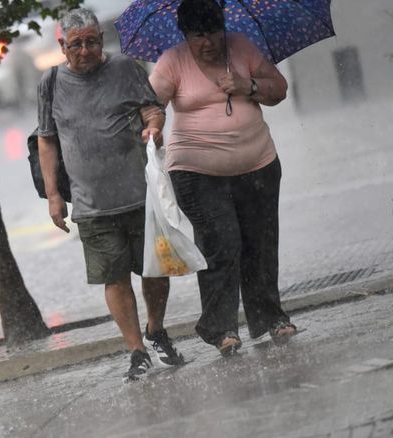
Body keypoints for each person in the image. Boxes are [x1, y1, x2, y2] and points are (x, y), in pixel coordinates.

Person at [37, 8, 183, 381]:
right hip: (91, 205)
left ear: (101, 41)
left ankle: (155, 328)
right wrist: (54, 195)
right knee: (114, 279)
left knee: (155, 271)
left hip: (140, 195)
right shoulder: (50, 83)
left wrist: (154, 126)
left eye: (91, 42)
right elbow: (47, 139)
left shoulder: (126, 68)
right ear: (62, 46)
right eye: (76, 44)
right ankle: (136, 350)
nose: (84, 51)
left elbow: (152, 108)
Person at [148, 0, 297, 356]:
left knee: (260, 242)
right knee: (223, 241)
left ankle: (271, 317)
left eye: (214, 32)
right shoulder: (173, 61)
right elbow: (151, 102)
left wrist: (248, 86)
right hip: (197, 172)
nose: (209, 42)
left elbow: (279, 89)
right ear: (186, 34)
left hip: (258, 163)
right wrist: (154, 125)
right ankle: (221, 328)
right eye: (199, 35)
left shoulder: (242, 47)